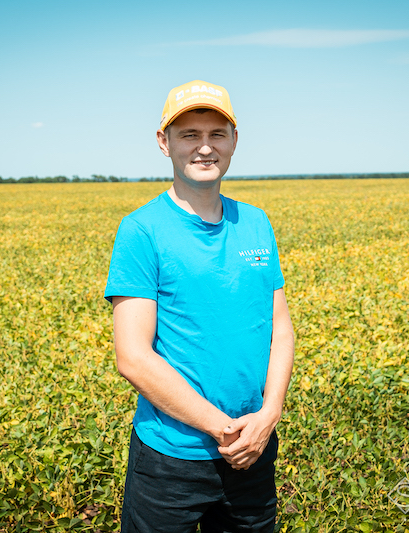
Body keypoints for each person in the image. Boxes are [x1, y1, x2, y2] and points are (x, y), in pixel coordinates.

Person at [104, 79, 295, 532]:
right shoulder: (141, 231)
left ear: (234, 141)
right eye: (189, 134)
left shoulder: (256, 221)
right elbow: (133, 357)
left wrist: (268, 416)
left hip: (254, 450)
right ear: (163, 142)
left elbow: (280, 330)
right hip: (172, 459)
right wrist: (224, 430)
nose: (204, 148)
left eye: (216, 134)